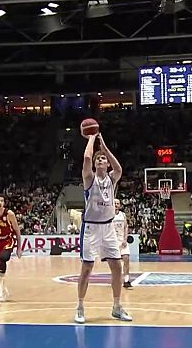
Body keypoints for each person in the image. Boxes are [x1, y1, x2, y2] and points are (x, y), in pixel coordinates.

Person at [75, 133, 131, 324]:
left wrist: (104, 147)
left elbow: (119, 167)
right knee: (87, 268)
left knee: (117, 267)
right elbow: (87, 158)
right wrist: (91, 138)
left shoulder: (112, 179)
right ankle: (80, 307)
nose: (100, 160)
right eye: (98, 158)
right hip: (90, 228)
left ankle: (117, 307)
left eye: (103, 159)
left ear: (106, 164)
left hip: (108, 229)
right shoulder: (89, 178)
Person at [112, 199, 132, 288]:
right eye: (115, 203)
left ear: (120, 205)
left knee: (126, 259)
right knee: (116, 264)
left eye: (117, 203)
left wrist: (125, 239)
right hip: (113, 242)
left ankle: (126, 281)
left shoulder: (123, 215)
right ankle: (116, 280)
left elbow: (126, 228)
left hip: (122, 241)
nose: (116, 205)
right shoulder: (109, 215)